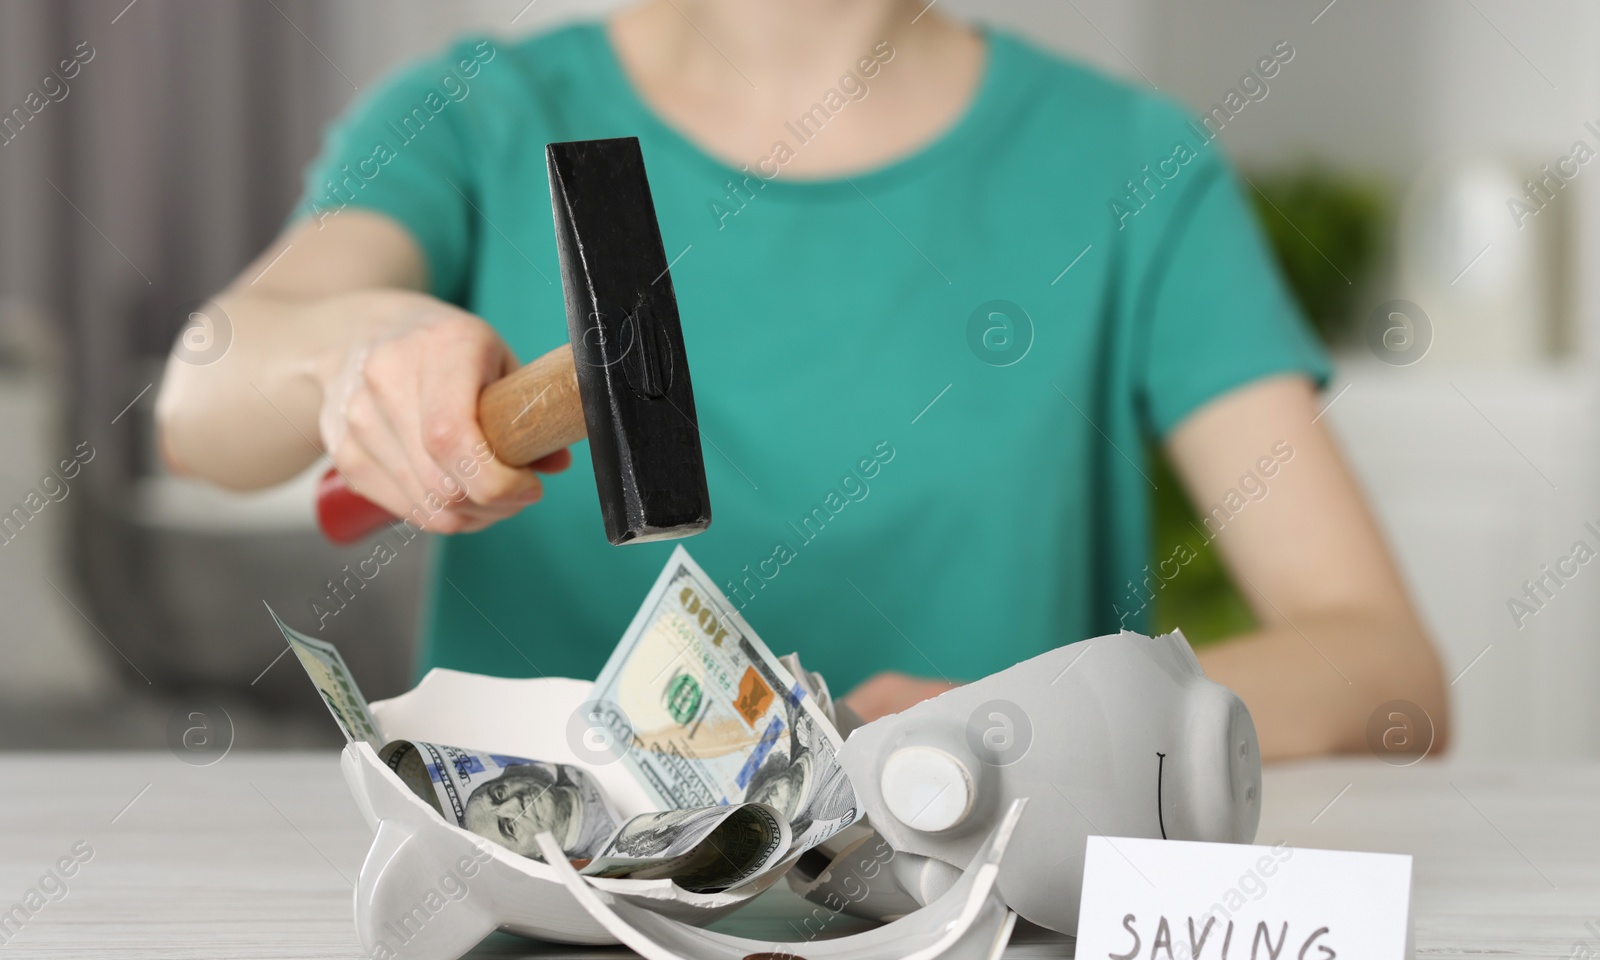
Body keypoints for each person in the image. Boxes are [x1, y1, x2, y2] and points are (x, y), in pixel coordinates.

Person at [156, 1, 1446, 760]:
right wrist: (354, 352)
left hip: (996, 952)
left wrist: (1052, 724)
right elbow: (203, 407)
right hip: (545, 947)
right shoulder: (479, 113)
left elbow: (1389, 673)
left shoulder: (1128, 160)